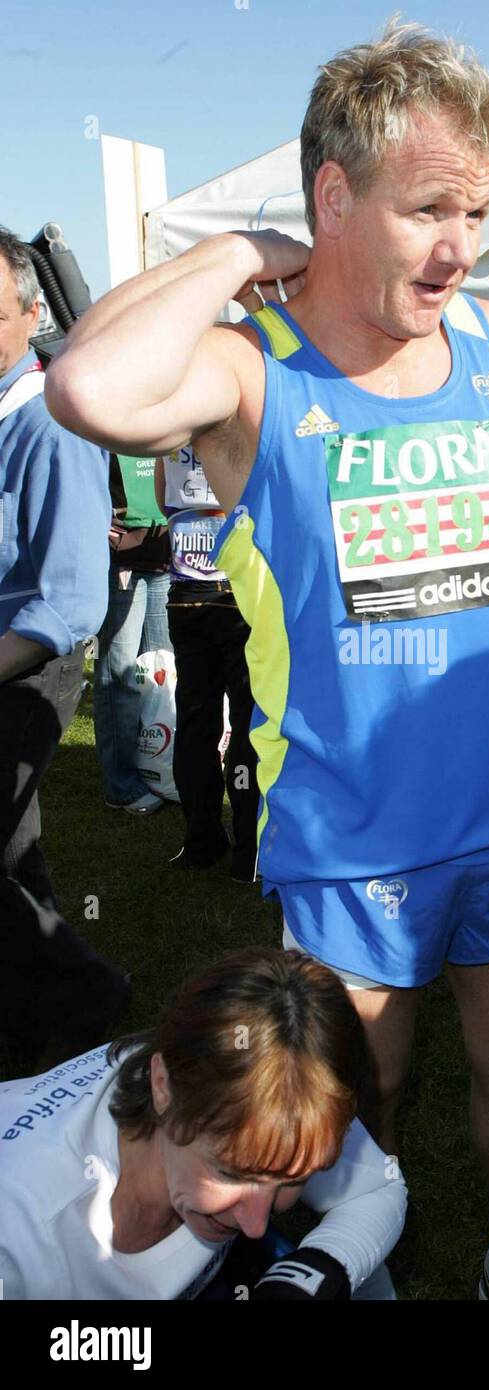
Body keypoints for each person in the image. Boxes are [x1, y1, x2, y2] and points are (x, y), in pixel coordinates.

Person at [46, 21, 489, 1301]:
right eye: (428, 207)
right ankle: (341, 1283)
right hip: (353, 850)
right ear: (333, 196)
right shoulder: (250, 368)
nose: (460, 245)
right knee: (353, 1108)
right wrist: (234, 252)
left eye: (478, 210)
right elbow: (88, 389)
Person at [0, 947, 406, 1300]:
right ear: (162, 1087)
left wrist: (321, 1268)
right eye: (231, 1172)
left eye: (291, 1179)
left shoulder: (264, 1085)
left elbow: (378, 1188)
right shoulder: (20, 1236)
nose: (255, 1223)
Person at [0, 227, 129, 1068]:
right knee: (13, 860)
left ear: (30, 310)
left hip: (26, 672)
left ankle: (88, 1001)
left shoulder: (49, 422)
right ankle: (38, 1029)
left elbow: (73, 599)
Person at [154, 444, 258, 879]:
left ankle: (202, 840)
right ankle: (247, 850)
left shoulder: (170, 433)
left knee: (197, 721)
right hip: (237, 595)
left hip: (187, 596)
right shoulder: (239, 428)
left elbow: (163, 502)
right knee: (247, 723)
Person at [93, 451, 172, 814]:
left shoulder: (170, 413)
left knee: (163, 671)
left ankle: (161, 769)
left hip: (168, 556)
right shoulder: (103, 420)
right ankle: (121, 784)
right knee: (119, 675)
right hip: (121, 561)